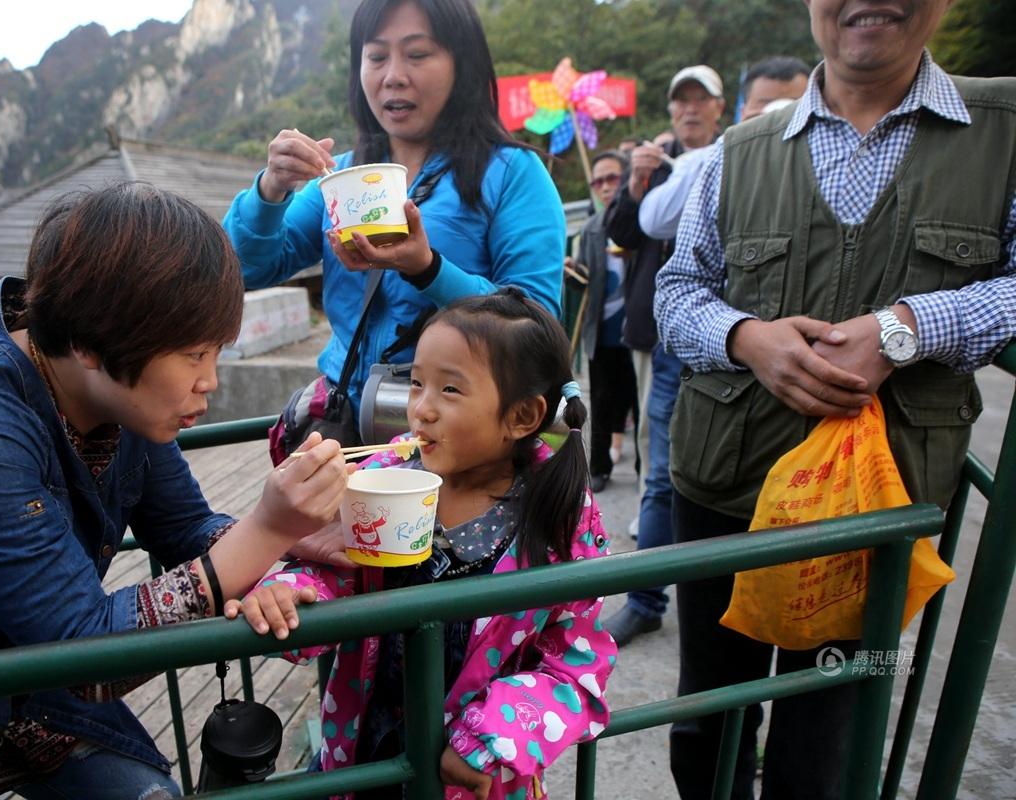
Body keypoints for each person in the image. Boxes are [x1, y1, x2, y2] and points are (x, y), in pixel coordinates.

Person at [0, 183, 350, 799]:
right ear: (92, 344)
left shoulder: (117, 393)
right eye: (194, 354)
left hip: (11, 687)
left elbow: (184, 530)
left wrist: (290, 550)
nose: (210, 381)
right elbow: (84, 654)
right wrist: (267, 530)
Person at [655, 0, 1016, 795]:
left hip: (881, 514)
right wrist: (748, 337)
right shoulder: (737, 151)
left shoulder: (1006, 130)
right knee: (707, 721)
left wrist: (911, 325)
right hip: (724, 495)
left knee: (831, 735)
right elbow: (678, 290)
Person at [229, 287, 617, 799]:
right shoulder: (384, 476)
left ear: (521, 417)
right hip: (361, 757)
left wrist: (493, 738)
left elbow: (574, 665)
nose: (421, 411)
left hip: (470, 772)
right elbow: (335, 565)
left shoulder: (558, 517)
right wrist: (293, 590)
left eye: (450, 391)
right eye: (416, 384)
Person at [223, 0, 564, 428]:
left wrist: (428, 270)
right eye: (376, 56)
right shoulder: (341, 176)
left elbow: (538, 326)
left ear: (463, 65)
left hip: (457, 435)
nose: (393, 76)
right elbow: (239, 269)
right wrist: (270, 190)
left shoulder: (513, 173)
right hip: (346, 423)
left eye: (417, 54)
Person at [602, 64, 725, 648]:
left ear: (721, 108)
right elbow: (620, 231)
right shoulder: (656, 163)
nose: (691, 110)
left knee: (720, 473)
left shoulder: (746, 157)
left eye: (702, 101)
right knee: (659, 469)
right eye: (682, 101)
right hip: (662, 334)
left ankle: (727, 599)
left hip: (734, 338)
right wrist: (634, 183)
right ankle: (646, 598)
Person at [639, 56, 810, 242]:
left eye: (792, 105)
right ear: (744, 112)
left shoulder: (834, 158)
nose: (780, 116)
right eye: (766, 105)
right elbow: (653, 222)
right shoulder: (711, 160)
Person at [565, 149, 637, 491]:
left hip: (638, 331)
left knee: (640, 403)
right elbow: (585, 273)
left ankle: (645, 470)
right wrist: (573, 271)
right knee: (603, 402)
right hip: (602, 331)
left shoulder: (644, 220)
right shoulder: (593, 228)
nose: (605, 187)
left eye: (612, 178)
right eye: (598, 181)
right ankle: (600, 467)